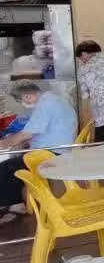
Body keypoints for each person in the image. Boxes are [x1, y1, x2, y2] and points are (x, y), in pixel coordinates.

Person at [0, 82, 76, 221]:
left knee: (6, 167)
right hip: (57, 147)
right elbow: (37, 131)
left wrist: (4, 143)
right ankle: (15, 203)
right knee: (16, 161)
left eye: (21, 101)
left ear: (27, 97)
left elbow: (26, 134)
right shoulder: (52, 99)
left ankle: (15, 205)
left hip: (53, 153)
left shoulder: (45, 105)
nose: (24, 105)